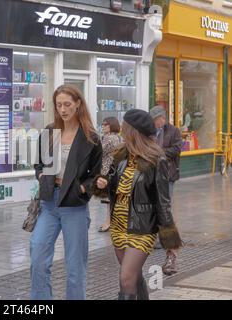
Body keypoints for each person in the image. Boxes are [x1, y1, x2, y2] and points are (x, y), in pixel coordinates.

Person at [93, 109, 183, 300]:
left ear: (133, 131)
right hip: (118, 226)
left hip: (142, 227)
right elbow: (110, 185)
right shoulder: (120, 156)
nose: (122, 131)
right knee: (133, 276)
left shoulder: (156, 160)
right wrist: (102, 183)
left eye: (125, 128)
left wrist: (169, 239)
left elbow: (163, 201)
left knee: (126, 277)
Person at [30, 84, 103, 300]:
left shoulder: (91, 138)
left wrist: (83, 188)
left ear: (78, 104)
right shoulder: (49, 132)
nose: (63, 109)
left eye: (67, 104)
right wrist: (42, 176)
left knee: (75, 267)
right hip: (48, 203)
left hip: (74, 206)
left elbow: (96, 174)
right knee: (38, 258)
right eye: (59, 105)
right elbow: (38, 164)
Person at [150, 105, 183, 276]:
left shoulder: (173, 130)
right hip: (152, 174)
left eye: (158, 120)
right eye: (154, 120)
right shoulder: (149, 131)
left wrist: (159, 152)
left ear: (163, 118)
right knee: (153, 206)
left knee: (165, 207)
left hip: (168, 175)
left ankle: (167, 242)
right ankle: (155, 237)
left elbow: (177, 149)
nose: (157, 123)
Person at [98, 117, 122, 233]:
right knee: (112, 198)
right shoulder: (119, 137)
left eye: (105, 124)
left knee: (108, 199)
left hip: (107, 170)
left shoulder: (108, 138)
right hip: (116, 170)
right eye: (102, 124)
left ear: (111, 125)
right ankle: (113, 222)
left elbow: (99, 153)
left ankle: (108, 222)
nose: (103, 126)